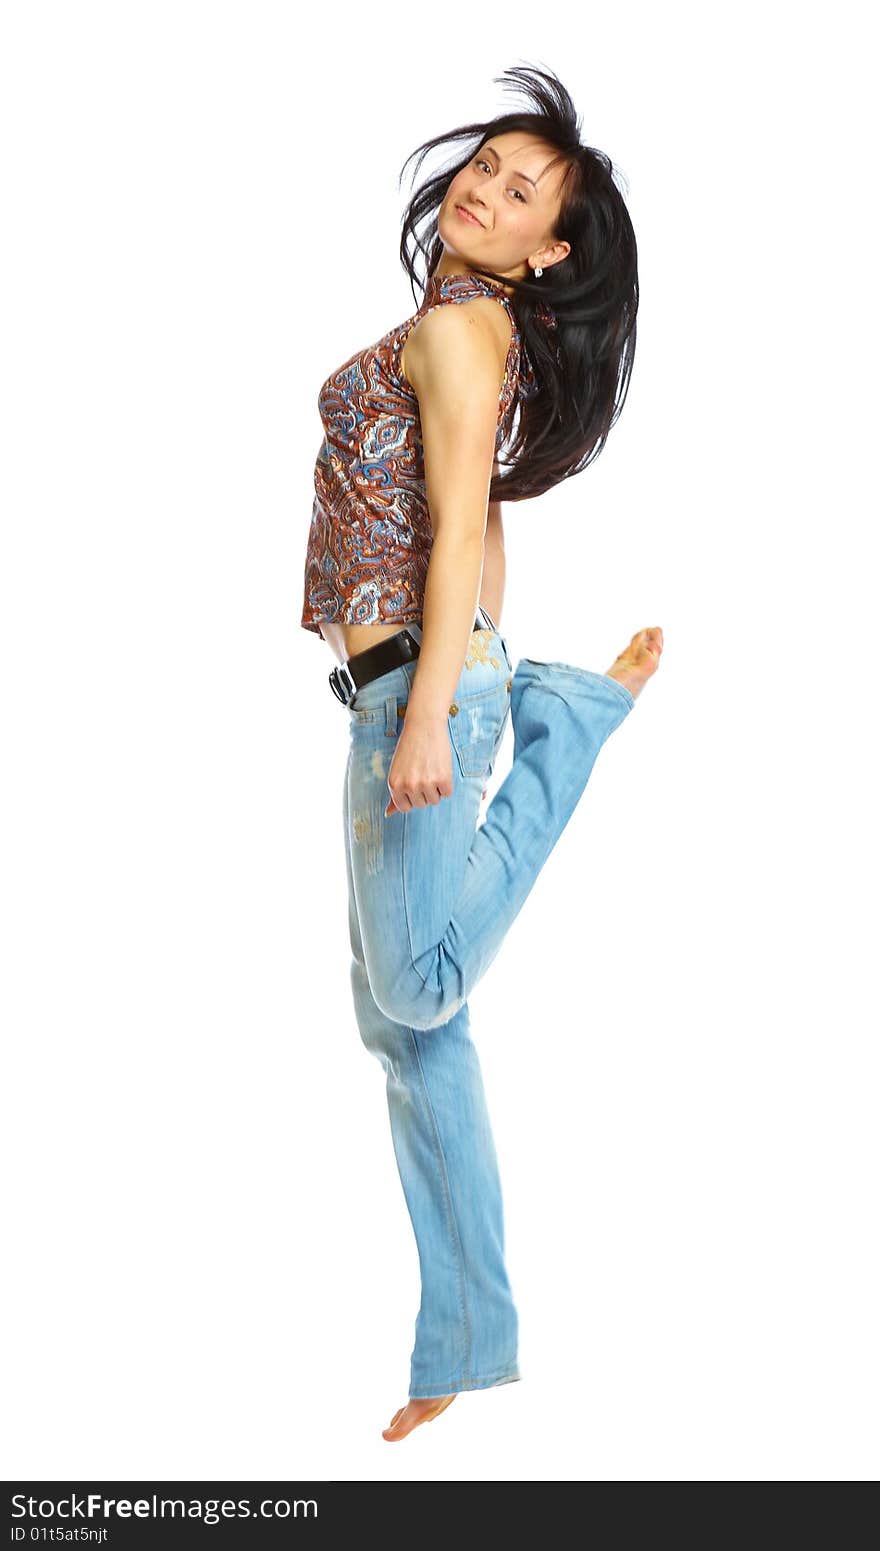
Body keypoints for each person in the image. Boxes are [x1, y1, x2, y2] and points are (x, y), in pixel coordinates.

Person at [300, 65, 663, 1442]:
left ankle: (569, 739)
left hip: (428, 693)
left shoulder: (463, 335)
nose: (487, 190)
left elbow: (458, 529)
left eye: (524, 193)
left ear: (547, 250)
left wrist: (441, 708)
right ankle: (463, 1335)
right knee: (403, 1028)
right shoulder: (459, 319)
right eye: (491, 166)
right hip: (405, 684)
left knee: (416, 983)